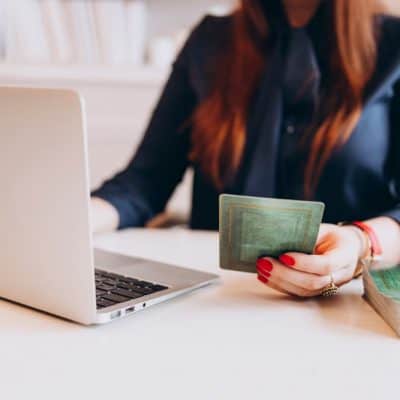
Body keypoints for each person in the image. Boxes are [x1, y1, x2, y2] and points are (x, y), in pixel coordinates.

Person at [91, 0, 400, 297]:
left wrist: (362, 242)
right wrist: (75, 220)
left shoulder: (393, 45)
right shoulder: (211, 41)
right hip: (219, 297)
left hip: (344, 297)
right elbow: (144, 182)